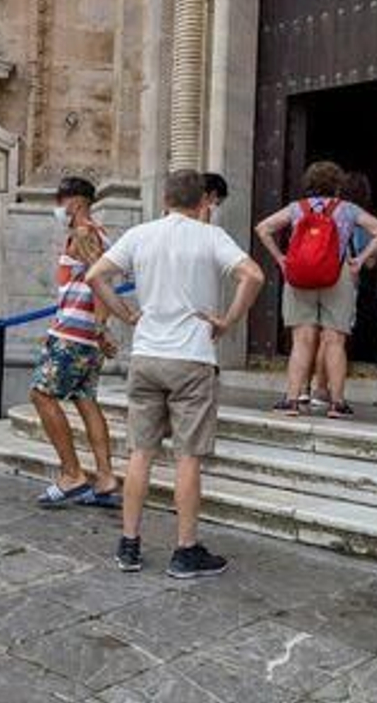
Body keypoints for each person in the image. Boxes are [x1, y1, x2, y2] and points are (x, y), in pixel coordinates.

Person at [87, 169, 264, 578]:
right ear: (204, 201)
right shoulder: (211, 236)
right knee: (188, 458)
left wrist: (126, 314)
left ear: (165, 200)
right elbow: (252, 275)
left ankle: (129, 545)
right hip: (192, 357)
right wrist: (228, 321)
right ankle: (185, 551)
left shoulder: (141, 234)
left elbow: (95, 276)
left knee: (140, 454)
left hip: (147, 353)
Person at [254, 161, 377, 417]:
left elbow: (263, 228)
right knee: (334, 340)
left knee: (301, 340)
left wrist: (281, 259)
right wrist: (359, 260)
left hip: (300, 276)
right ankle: (337, 404)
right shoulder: (348, 209)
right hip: (337, 276)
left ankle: (292, 401)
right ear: (337, 185)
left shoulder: (297, 208)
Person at [27, 177, 122, 507]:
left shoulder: (84, 234)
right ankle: (106, 477)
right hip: (83, 335)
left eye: (60, 201)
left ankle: (72, 474)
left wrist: (99, 328)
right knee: (85, 399)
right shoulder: (96, 233)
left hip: (74, 335)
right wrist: (100, 329)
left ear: (76, 202)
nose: (58, 209)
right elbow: (101, 279)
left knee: (40, 395)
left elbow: (98, 280)